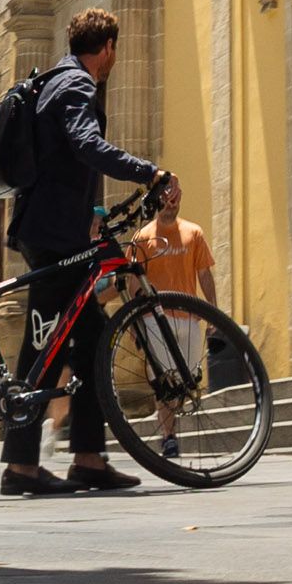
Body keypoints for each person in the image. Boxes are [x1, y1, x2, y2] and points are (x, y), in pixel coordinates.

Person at [1, 7, 165, 499]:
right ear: (108, 48)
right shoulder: (77, 86)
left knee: (91, 337)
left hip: (55, 228)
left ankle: (89, 459)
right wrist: (147, 171)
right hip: (54, 233)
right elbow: (87, 144)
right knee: (44, 346)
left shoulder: (56, 80)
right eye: (116, 49)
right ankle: (22, 466)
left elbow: (66, 161)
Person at [122, 176, 216, 453]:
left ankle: (171, 426)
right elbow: (133, 285)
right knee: (164, 380)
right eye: (165, 196)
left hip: (189, 318)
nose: (170, 202)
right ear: (157, 199)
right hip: (155, 321)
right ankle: (169, 435)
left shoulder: (194, 233)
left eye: (175, 196)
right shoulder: (142, 238)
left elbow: (205, 275)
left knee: (188, 378)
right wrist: (134, 322)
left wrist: (212, 313)